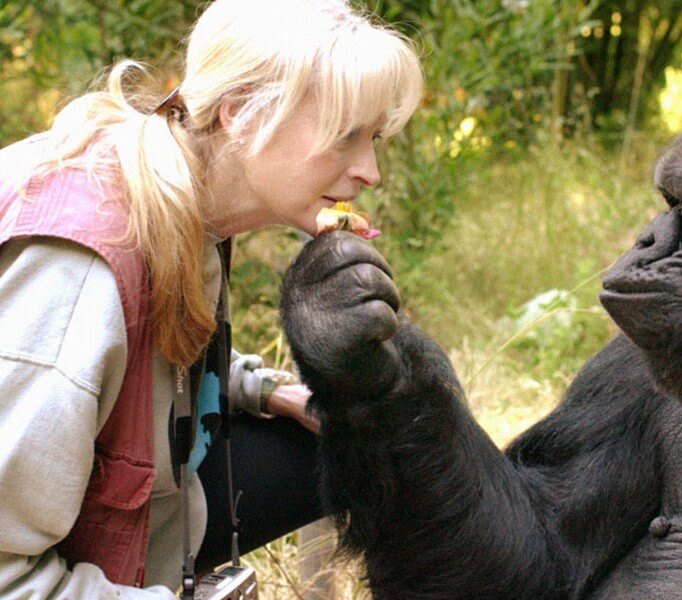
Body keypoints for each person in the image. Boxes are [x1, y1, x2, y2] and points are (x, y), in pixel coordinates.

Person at [0, 0, 423, 597]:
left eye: (373, 136)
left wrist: (265, 390)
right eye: (346, 134)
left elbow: (140, 373)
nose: (370, 170)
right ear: (241, 113)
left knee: (353, 441)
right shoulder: (79, 271)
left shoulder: (180, 194)